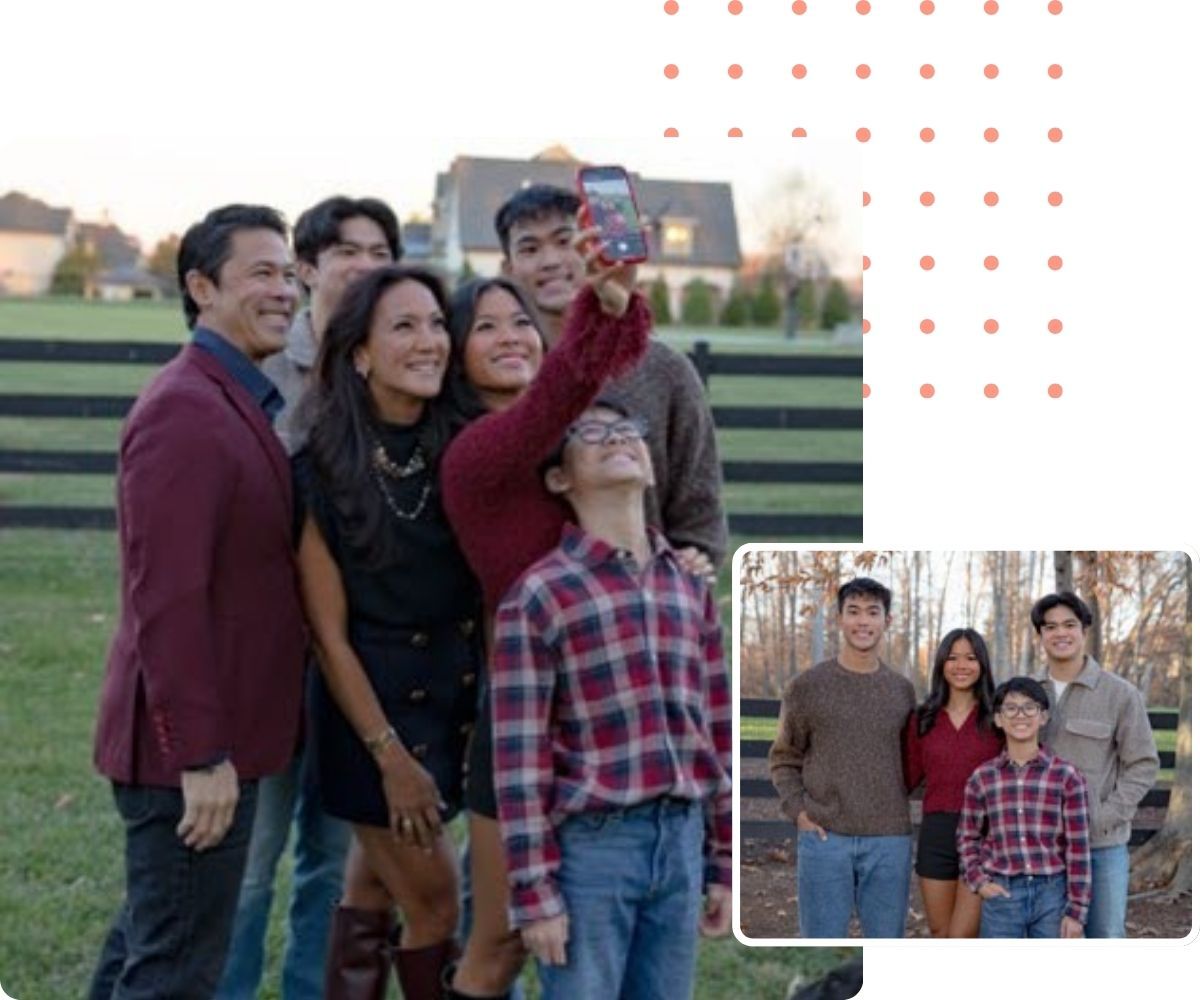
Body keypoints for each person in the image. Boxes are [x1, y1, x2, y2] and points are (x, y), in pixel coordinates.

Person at [89, 204, 308, 999]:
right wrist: (202, 756)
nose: (284, 290)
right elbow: (168, 599)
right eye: (261, 273)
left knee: (149, 951)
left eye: (289, 274)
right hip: (186, 759)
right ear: (201, 287)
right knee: (175, 974)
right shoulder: (186, 409)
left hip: (217, 747)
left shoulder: (233, 396)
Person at [438, 243, 651, 999]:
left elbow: (601, 377)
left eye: (521, 322)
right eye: (485, 326)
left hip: (608, 719)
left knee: (584, 931)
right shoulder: (477, 455)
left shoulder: (572, 448)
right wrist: (604, 311)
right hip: (524, 721)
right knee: (499, 940)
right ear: (455, 355)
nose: (510, 337)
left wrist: (619, 301)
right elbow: (566, 387)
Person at [217, 194, 401, 1000]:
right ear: (307, 267)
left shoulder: (396, 366)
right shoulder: (260, 365)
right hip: (266, 655)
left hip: (360, 661)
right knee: (248, 864)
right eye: (346, 252)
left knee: (333, 863)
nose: (364, 266)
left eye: (379, 252)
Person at [491, 402, 733, 999]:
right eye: (589, 433)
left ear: (651, 467)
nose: (616, 438)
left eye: (629, 430)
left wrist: (723, 861)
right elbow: (520, 763)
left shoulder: (688, 585)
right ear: (559, 478)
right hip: (592, 853)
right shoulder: (541, 595)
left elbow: (718, 731)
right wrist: (535, 891)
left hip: (678, 842)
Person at [294, 265, 482, 999]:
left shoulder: (463, 447)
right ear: (361, 353)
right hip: (368, 722)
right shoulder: (318, 468)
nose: (430, 340)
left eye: (437, 323)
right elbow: (327, 636)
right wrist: (390, 759)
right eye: (404, 325)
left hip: (450, 707)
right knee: (436, 903)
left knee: (372, 895)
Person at [494, 183, 726, 565]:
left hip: (641, 603)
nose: (550, 260)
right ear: (508, 268)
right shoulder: (501, 371)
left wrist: (688, 570)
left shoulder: (666, 371)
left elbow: (699, 513)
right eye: (530, 249)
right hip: (530, 601)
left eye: (565, 241)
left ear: (591, 245)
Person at [768, 577, 915, 938]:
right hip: (824, 836)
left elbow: (915, 760)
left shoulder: (902, 691)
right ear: (838, 619)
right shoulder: (807, 687)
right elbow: (784, 757)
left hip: (889, 839)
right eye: (853, 612)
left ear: (887, 621)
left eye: (872, 612)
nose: (863, 622)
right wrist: (799, 812)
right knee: (820, 943)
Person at [1030, 591, 1158, 938]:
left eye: (1070, 624)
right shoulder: (1025, 692)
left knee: (1105, 940)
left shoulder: (1119, 694)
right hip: (1038, 849)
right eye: (1050, 626)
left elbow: (1143, 764)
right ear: (1039, 635)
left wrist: (1104, 816)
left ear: (1084, 629)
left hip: (1100, 847)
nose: (1061, 633)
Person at [958, 677, 1092, 938]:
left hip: (1052, 894)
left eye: (1029, 707)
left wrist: (1077, 910)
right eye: (1011, 708)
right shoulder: (983, 777)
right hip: (1002, 894)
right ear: (998, 719)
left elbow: (1079, 847)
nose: (1021, 715)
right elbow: (967, 836)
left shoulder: (1066, 776)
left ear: (1043, 717)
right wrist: (979, 881)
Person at [902, 628, 1003, 937]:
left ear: (983, 665)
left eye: (971, 658)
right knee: (940, 933)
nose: (961, 666)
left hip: (984, 836)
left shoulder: (998, 718)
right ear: (941, 664)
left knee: (962, 937)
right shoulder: (922, 719)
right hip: (937, 834)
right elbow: (905, 778)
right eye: (953, 658)